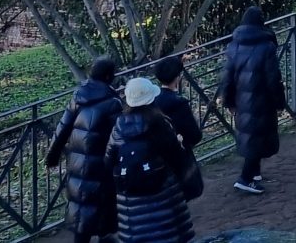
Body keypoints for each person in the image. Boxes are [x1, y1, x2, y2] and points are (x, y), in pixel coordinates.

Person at [105, 77, 194, 243]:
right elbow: (177, 158)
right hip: (163, 195)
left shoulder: (119, 127)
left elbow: (109, 160)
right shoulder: (160, 123)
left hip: (131, 201)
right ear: (151, 99)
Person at [45, 57, 121, 243]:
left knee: (82, 208)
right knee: (103, 208)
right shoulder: (113, 102)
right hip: (102, 165)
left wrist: (52, 157)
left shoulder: (78, 95)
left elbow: (62, 129)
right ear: (109, 76)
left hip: (77, 163)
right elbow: (120, 136)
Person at [217, 5, 287, 195]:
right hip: (262, 99)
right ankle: (245, 178)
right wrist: (280, 102)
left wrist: (228, 101)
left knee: (251, 135)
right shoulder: (267, 46)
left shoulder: (234, 46)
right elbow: (273, 78)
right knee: (258, 138)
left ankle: (254, 174)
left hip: (242, 99)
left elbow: (227, 77)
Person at [153, 55, 203, 200]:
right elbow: (194, 135)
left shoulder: (153, 101)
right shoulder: (179, 103)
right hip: (180, 157)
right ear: (178, 77)